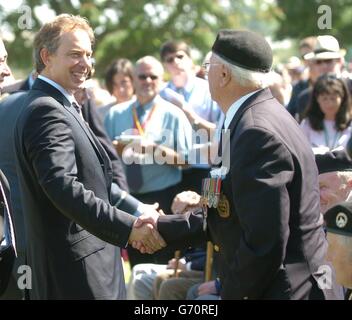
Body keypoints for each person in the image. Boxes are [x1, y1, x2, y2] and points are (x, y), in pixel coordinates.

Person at [134, 29, 343, 299]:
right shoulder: (246, 120)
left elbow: (265, 242)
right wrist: (163, 224)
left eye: (208, 66)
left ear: (223, 75)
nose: (204, 73)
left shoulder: (257, 132)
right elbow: (217, 207)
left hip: (285, 290)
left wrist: (227, 291)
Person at [13, 14, 165, 300]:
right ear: (46, 56)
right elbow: (64, 188)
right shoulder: (46, 110)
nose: (85, 64)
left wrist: (139, 210)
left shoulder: (64, 103)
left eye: (88, 54)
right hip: (76, 274)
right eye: (74, 55)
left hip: (93, 265)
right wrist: (130, 227)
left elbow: (97, 180)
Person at [300, 73, 352, 153]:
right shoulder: (307, 124)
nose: (329, 104)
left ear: (342, 98)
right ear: (317, 99)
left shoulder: (350, 124)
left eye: (333, 98)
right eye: (324, 99)